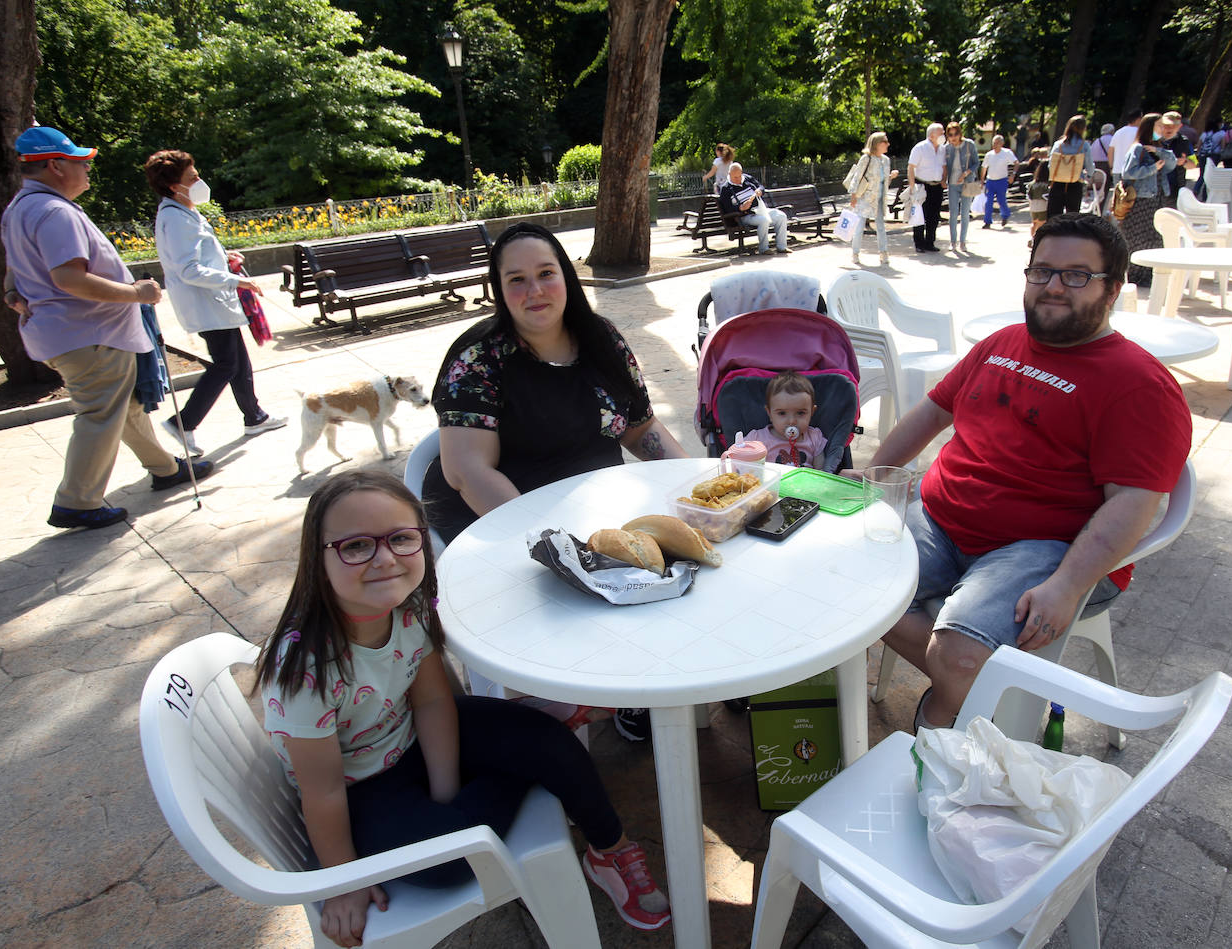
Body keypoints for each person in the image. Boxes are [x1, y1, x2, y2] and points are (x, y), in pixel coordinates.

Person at [256, 470, 671, 946]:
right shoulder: (305, 669)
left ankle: (608, 850)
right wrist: (343, 884)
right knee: (450, 865)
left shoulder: (408, 606)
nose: (385, 559)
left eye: (401, 538)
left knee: (549, 744)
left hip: (411, 733)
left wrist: (446, 785)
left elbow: (433, 701)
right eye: (356, 547)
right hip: (359, 789)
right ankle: (539, 744)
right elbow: (323, 792)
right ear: (317, 556)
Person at [865, 213, 1191, 732]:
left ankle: (940, 733)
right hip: (940, 519)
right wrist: (869, 481)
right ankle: (984, 693)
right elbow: (931, 414)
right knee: (849, 590)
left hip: (1044, 547)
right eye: (1041, 272)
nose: (1054, 287)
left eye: (1076, 275)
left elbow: (1132, 503)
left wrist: (1066, 585)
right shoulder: (1001, 343)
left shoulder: (1138, 385)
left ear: (1113, 289)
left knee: (962, 659)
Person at [421, 222, 687, 741]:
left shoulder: (602, 340)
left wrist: (687, 489)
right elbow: (468, 471)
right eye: (516, 280)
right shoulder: (478, 358)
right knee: (590, 593)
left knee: (677, 566)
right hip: (497, 519)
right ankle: (600, 692)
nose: (534, 290)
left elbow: (642, 427)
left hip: (594, 508)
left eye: (546, 273)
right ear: (499, 290)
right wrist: (553, 543)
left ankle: (644, 684)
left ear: (567, 276)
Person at [0, 126, 214, 530]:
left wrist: (14, 294)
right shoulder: (54, 211)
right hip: (88, 333)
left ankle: (165, 467)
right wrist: (138, 293)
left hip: (73, 334)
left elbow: (17, 269)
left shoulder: (20, 208)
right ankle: (77, 501)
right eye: (80, 162)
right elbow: (69, 279)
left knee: (122, 407)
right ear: (55, 165)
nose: (87, 170)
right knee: (99, 414)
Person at [144, 149, 286, 456]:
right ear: (173, 185)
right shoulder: (175, 217)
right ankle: (184, 423)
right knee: (225, 364)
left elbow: (200, 256)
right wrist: (237, 280)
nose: (199, 181)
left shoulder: (184, 211)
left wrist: (225, 259)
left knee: (238, 361)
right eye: (192, 177)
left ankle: (255, 416)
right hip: (205, 303)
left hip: (214, 301)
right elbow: (189, 269)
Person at [1117, 113, 1176, 286]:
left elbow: (1171, 164)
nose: (1162, 130)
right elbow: (1128, 173)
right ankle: (1137, 275)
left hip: (1156, 199)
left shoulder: (1157, 148)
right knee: (1138, 238)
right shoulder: (1137, 148)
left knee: (1155, 237)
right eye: (1159, 126)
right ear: (1149, 127)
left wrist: (1159, 151)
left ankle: (1151, 273)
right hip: (1141, 200)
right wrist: (1152, 168)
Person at [744, 371, 828, 468]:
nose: (791, 421)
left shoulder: (814, 438)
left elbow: (821, 472)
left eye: (800, 413)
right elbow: (738, 460)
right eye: (782, 413)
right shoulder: (756, 439)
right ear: (769, 413)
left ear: (812, 412)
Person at [845, 131, 898, 266]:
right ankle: (855, 253)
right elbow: (857, 177)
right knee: (859, 226)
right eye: (885, 142)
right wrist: (854, 196)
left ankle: (883, 252)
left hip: (880, 198)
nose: (888, 144)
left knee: (880, 226)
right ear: (877, 144)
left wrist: (890, 176)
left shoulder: (886, 160)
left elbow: (883, 181)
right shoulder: (866, 158)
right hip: (865, 198)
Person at [718, 163, 790, 255]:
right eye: (735, 177)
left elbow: (761, 186)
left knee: (781, 216)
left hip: (760, 209)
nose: (738, 179)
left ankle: (782, 247)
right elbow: (727, 209)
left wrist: (760, 191)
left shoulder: (747, 178)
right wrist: (740, 208)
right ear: (729, 174)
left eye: (739, 176)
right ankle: (764, 249)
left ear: (741, 172)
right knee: (763, 220)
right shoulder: (726, 189)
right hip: (745, 215)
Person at [907, 123, 947, 252]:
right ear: (931, 135)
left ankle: (930, 242)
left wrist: (943, 180)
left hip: (937, 186)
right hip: (922, 185)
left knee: (934, 215)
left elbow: (944, 166)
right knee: (920, 215)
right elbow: (911, 167)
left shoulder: (942, 149)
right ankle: (919, 243)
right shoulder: (920, 148)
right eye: (941, 133)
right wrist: (912, 187)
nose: (943, 135)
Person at [943, 122, 980, 253]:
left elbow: (976, 163)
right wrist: (943, 179)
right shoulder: (947, 148)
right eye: (950, 134)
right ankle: (953, 241)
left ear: (960, 133)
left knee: (965, 213)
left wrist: (966, 173)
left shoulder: (969, 144)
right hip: (952, 184)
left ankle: (962, 241)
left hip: (967, 183)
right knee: (953, 213)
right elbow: (945, 166)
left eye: (956, 134)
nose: (953, 137)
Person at [1047, 115, 1094, 216]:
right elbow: (1090, 167)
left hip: (1057, 182)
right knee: (1072, 215)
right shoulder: (1084, 145)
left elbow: (1051, 164)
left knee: (1053, 215)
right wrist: (1088, 175)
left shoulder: (1058, 144)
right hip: (1075, 182)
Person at [980, 135, 1017, 230]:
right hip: (990, 181)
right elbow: (984, 168)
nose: (995, 145)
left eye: (997, 143)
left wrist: (1013, 174)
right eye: (994, 143)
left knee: (1001, 200)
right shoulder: (989, 155)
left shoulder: (1007, 153)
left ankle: (1005, 215)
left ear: (1002, 144)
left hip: (1002, 180)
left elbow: (1016, 163)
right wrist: (982, 180)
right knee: (989, 202)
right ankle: (987, 221)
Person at [1159, 112, 1194, 201]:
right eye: (1166, 125)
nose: (1169, 128)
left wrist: (1184, 162)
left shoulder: (1184, 142)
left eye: (1173, 125)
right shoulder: (1153, 140)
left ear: (1179, 126)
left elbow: (1193, 165)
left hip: (1174, 190)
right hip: (1154, 189)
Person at [1109, 111, 1143, 183]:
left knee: (1118, 193)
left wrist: (1111, 167)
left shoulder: (1118, 132)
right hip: (1132, 170)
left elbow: (1111, 150)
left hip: (1117, 169)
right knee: (1132, 194)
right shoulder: (1139, 133)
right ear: (1138, 119)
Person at [1026, 150, 1051, 246]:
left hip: (1033, 207)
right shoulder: (1045, 185)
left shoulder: (1032, 184)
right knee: (1041, 224)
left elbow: (1028, 195)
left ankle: (1031, 237)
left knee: (1034, 224)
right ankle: (1035, 240)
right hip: (1042, 206)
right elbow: (1045, 196)